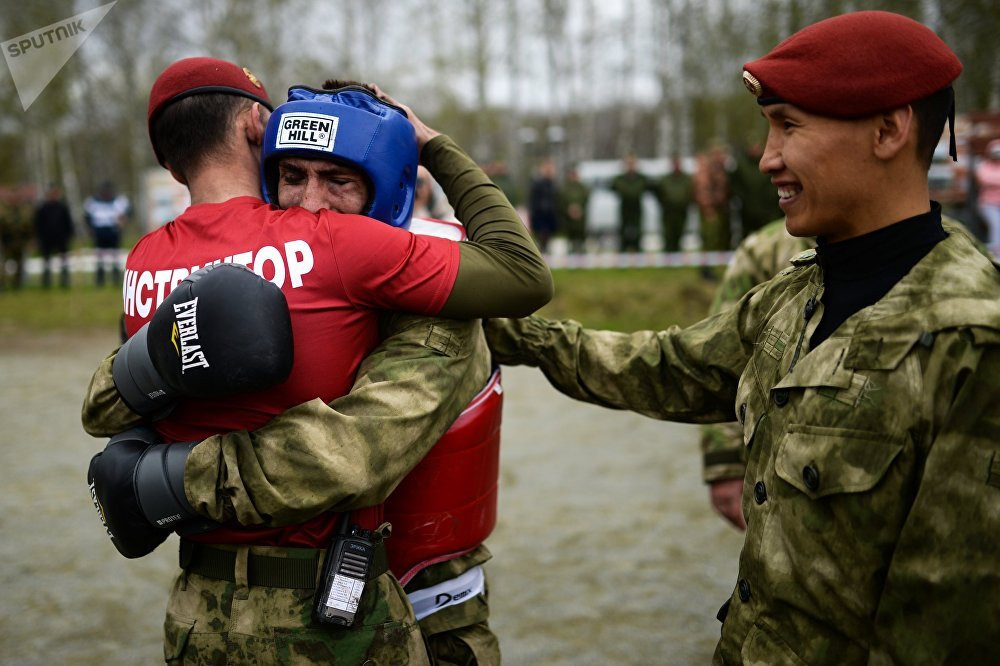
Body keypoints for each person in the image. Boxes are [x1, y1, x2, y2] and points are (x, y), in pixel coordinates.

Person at [482, 11, 1000, 663]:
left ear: (888, 130)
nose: (767, 158)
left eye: (789, 126)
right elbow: (668, 367)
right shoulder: (801, 289)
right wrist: (502, 326)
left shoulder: (972, 339)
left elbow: (943, 631)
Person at [83, 58, 551, 664]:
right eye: (293, 176)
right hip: (325, 620)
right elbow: (523, 271)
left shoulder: (144, 262)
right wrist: (432, 144)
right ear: (260, 127)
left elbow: (111, 407)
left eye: (336, 180)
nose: (310, 202)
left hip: (201, 616)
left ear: (171, 163)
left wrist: (167, 479)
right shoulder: (332, 242)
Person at [699, 219, 813, 530]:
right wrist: (724, 464)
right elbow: (721, 361)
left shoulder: (932, 250)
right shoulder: (766, 249)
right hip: (776, 472)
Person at [83, 181, 129, 286]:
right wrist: (90, 229)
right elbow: (87, 216)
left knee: (115, 256)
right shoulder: (92, 202)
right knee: (99, 257)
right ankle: (100, 279)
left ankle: (116, 278)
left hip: (113, 232)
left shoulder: (118, 201)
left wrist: (121, 223)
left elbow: (126, 214)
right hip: (99, 232)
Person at [34, 183, 75, 289]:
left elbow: (68, 222)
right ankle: (46, 282)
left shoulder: (63, 207)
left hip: (61, 238)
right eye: (51, 193)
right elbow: (38, 224)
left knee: (64, 260)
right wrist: (39, 238)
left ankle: (64, 281)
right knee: (46, 261)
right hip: (46, 239)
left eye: (55, 193)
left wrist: (69, 235)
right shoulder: (42, 208)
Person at [652, 155, 692, 252]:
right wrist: (665, 204)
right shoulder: (665, 179)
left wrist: (685, 203)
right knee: (668, 236)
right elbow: (659, 193)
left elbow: (690, 193)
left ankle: (678, 255)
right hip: (668, 213)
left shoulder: (687, 179)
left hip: (681, 212)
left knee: (680, 235)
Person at [0, 183, 36, 290]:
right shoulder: (3, 209)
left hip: (20, 242)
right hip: (6, 242)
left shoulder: (24, 210)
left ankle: (17, 284)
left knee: (20, 264)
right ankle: (2, 284)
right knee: (3, 264)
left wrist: (31, 240)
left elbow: (30, 226)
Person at [610, 154, 647, 252]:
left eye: (632, 163)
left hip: (636, 208)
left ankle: (637, 253)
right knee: (623, 234)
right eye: (628, 163)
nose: (631, 166)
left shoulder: (641, 179)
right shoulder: (619, 179)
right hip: (625, 209)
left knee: (638, 233)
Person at [527, 158, 559, 253]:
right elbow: (532, 199)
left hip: (550, 214)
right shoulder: (537, 183)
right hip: (540, 214)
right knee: (540, 237)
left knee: (547, 238)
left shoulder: (553, 184)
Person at [975, 138, 1000, 249]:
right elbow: (983, 179)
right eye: (995, 153)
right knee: (996, 225)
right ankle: (996, 251)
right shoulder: (983, 165)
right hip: (989, 204)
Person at [559, 166, 590, 254]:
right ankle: (571, 250)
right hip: (569, 217)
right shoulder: (565, 188)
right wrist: (569, 210)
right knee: (570, 234)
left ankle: (581, 249)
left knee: (580, 233)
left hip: (580, 217)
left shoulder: (582, 188)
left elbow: (586, 199)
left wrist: (579, 209)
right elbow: (562, 201)